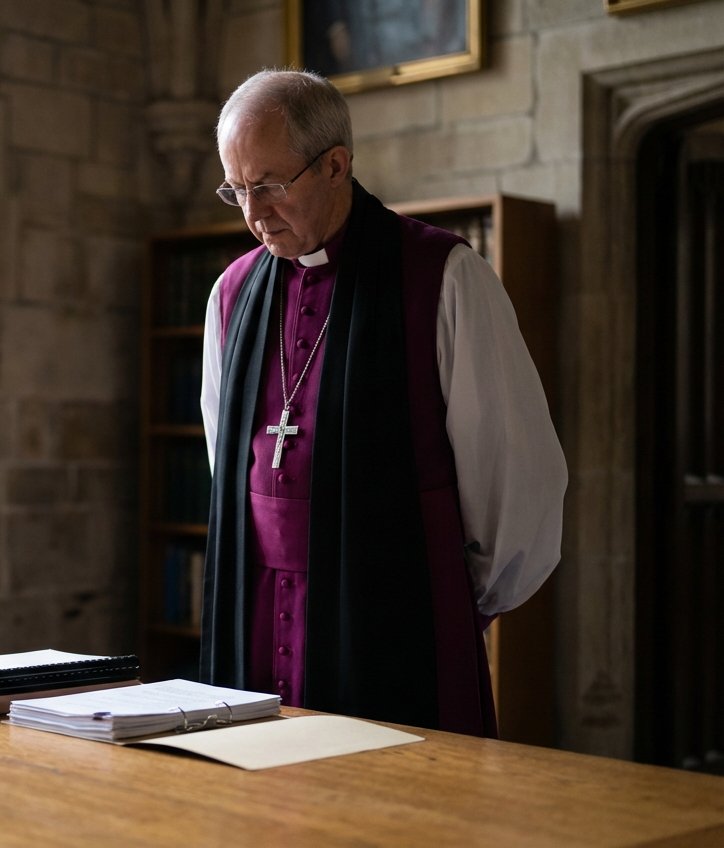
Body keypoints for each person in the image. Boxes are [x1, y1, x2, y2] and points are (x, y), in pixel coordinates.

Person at [198, 69, 566, 737]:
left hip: (397, 616)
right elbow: (227, 462)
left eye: (271, 185)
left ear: (335, 164)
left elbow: (517, 485)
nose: (253, 213)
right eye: (238, 189)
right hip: (252, 622)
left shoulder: (446, 279)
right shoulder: (231, 295)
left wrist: (441, 604)